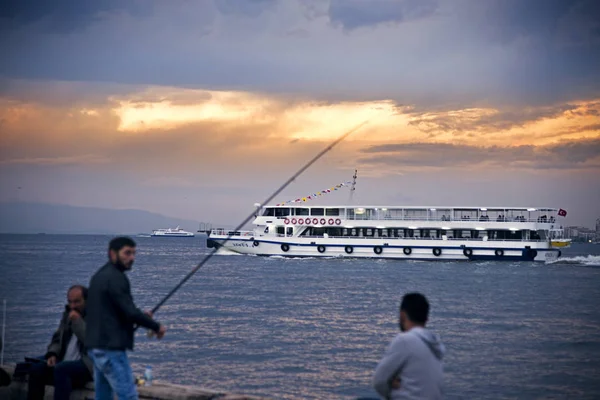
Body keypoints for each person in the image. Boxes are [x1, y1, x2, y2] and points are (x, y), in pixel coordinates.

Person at [86, 236, 166, 400]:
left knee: (103, 397)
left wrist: (140, 317)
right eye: (127, 253)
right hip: (111, 350)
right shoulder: (116, 278)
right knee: (128, 396)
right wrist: (155, 326)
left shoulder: (98, 277)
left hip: (95, 347)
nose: (132, 258)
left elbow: (112, 312)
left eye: (134, 253)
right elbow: (130, 311)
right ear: (112, 254)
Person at [372, 293, 445, 400]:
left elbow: (378, 382)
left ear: (402, 315)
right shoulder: (435, 345)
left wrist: (392, 387)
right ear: (426, 319)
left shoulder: (405, 340)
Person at [27, 285, 93, 400]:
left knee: (62, 369)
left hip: (88, 364)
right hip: (65, 360)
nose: (73, 306)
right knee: (35, 367)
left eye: (77, 302)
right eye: (70, 302)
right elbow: (57, 338)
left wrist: (77, 321)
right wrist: (53, 354)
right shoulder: (68, 313)